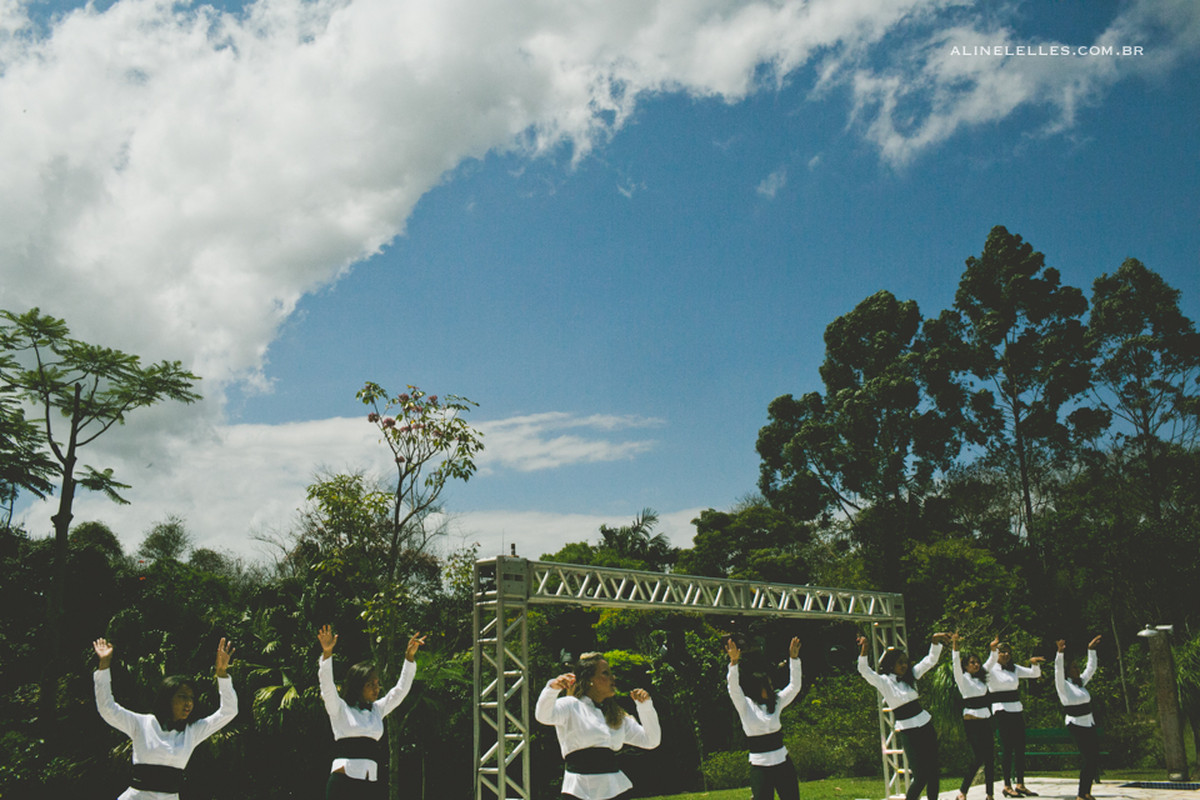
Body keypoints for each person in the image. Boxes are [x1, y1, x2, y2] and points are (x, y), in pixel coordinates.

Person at [92, 636, 238, 799]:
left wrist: (222, 674)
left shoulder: (193, 731)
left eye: (191, 698)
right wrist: (104, 665)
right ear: (167, 699)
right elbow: (107, 708)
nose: (189, 703)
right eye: (182, 697)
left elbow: (229, 711)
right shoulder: (142, 723)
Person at [317, 624, 425, 799]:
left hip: (370, 783)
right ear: (358, 686)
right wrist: (327, 654)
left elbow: (400, 691)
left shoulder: (377, 710)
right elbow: (327, 686)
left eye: (377, 684)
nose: (377, 688)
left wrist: (409, 658)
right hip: (343, 784)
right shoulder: (339, 708)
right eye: (370, 684)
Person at [535, 652, 661, 800]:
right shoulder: (571, 706)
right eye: (605, 674)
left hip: (615, 790)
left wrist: (645, 706)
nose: (612, 679)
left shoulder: (617, 716)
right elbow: (542, 716)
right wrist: (552, 688)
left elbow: (651, 740)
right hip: (578, 790)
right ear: (590, 680)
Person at [857, 632, 950, 800]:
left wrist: (935, 642)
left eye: (905, 662)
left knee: (933, 772)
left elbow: (930, 661)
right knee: (921, 776)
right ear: (891, 664)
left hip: (926, 725)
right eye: (900, 662)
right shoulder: (884, 681)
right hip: (908, 731)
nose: (904, 665)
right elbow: (864, 671)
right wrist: (865, 649)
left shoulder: (911, 676)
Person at [725, 635, 803, 800]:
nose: (771, 687)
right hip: (760, 766)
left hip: (783, 762)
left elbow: (795, 686)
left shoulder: (777, 702)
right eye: (767, 685)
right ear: (756, 688)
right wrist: (733, 663)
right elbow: (733, 688)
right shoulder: (746, 706)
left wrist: (794, 659)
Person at [984, 637, 1045, 797]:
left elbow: (1034, 674)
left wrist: (1034, 662)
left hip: (1016, 709)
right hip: (1001, 710)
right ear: (996, 654)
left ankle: (1020, 784)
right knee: (1007, 748)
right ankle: (1006, 785)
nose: (1005, 655)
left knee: (1020, 747)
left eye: (1008, 652)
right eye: (1002, 652)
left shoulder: (1014, 668)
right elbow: (987, 665)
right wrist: (992, 650)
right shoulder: (991, 668)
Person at [1054, 636, 1102, 800]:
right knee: (1088, 757)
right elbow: (1058, 671)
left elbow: (1091, 669)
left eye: (1076, 667)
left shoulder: (1079, 683)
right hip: (1076, 724)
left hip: (1089, 723)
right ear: (1068, 670)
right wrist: (1059, 654)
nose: (1077, 669)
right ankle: (1082, 794)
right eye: (1074, 667)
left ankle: (1087, 792)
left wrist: (1091, 649)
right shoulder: (1064, 686)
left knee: (1093, 758)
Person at [950, 632, 994, 800]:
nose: (976, 665)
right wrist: (955, 646)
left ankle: (990, 794)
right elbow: (955, 664)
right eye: (972, 662)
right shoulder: (963, 680)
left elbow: (990, 663)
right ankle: (963, 791)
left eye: (977, 662)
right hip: (972, 723)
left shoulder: (981, 679)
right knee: (978, 757)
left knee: (990, 758)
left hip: (985, 721)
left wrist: (993, 650)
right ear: (966, 666)